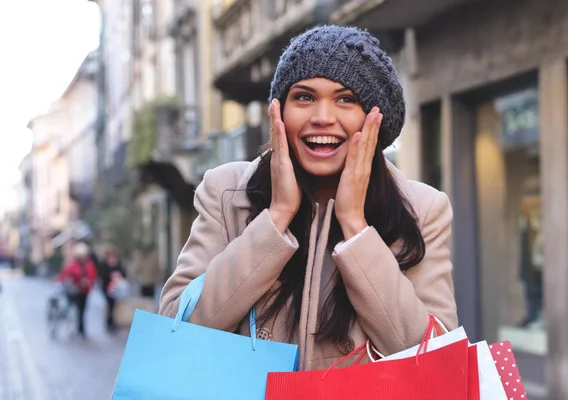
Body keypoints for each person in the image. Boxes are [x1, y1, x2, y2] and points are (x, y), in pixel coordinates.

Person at [159, 25, 458, 371]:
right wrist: (276, 218)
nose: (322, 118)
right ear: (279, 112)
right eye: (304, 97)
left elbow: (438, 362)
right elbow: (175, 333)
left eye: (346, 99)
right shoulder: (225, 193)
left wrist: (356, 228)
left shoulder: (422, 209)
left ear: (374, 119)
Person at [56, 241, 97, 338]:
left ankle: (81, 329)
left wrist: (88, 281)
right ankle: (77, 328)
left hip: (85, 290)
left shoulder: (89, 264)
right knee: (76, 309)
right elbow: (65, 274)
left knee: (82, 310)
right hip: (74, 290)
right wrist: (61, 281)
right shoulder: (72, 264)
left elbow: (93, 275)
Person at [97, 244, 127, 332]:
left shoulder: (118, 263)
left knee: (114, 305)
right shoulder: (103, 264)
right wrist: (110, 276)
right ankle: (109, 322)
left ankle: (114, 322)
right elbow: (102, 275)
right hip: (107, 287)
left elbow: (123, 273)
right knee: (109, 305)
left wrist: (119, 275)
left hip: (117, 287)